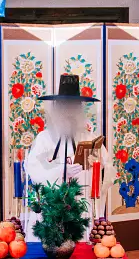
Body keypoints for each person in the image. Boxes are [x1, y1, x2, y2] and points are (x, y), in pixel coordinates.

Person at [23, 74, 99, 241]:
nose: (69, 111)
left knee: (81, 249)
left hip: (80, 208)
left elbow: (104, 173)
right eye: (64, 105)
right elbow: (33, 170)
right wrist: (60, 171)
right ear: (57, 108)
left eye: (73, 106)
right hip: (50, 209)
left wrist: (95, 166)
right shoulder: (44, 138)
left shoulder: (89, 138)